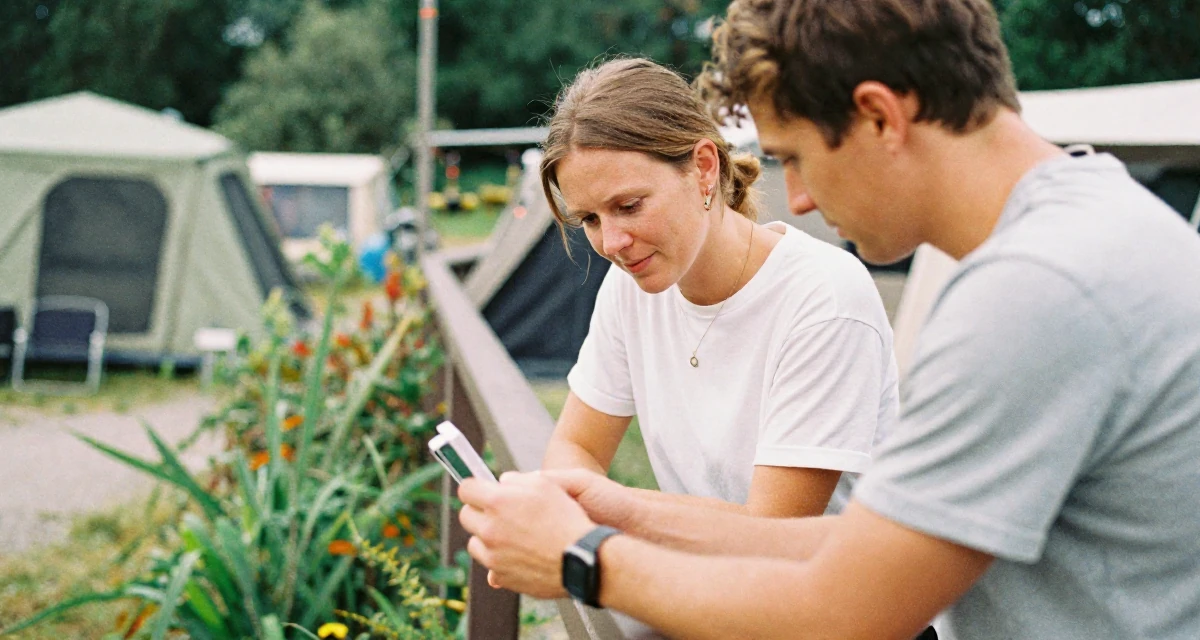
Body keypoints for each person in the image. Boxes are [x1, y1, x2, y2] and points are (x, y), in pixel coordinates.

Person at [456, 1, 1200, 639]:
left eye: (798, 158)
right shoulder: (1088, 225)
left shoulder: (1037, 291)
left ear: (879, 114)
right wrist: (620, 509)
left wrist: (584, 558)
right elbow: (847, 548)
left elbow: (843, 612)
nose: (800, 200)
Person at [537, 57, 899, 523]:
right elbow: (576, 446)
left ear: (704, 168)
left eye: (628, 206)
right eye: (589, 218)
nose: (611, 243)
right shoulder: (630, 289)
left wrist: (610, 515)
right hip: (710, 584)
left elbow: (771, 534)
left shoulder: (824, 298)